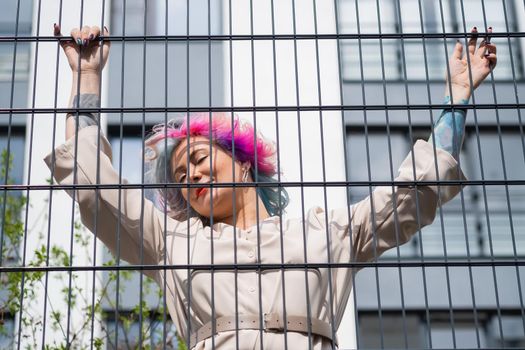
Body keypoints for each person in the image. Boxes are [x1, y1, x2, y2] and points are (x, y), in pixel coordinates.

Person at [46, 24, 497, 350]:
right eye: (181, 180)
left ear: (243, 163)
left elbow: (412, 195)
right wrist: (86, 77)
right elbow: (93, 187)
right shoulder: (172, 242)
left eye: (200, 160)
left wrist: (456, 98)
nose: (193, 179)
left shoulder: (327, 234)